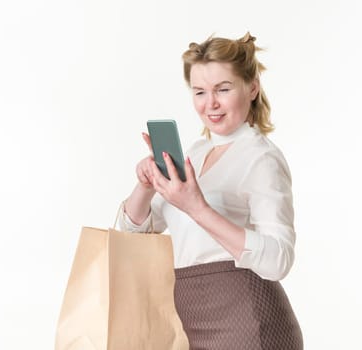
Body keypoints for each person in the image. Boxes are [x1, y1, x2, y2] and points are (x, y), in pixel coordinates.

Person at [119, 32, 303, 349]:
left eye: (223, 89)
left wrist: (198, 209)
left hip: (248, 323)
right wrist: (146, 185)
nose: (211, 104)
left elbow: (279, 260)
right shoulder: (196, 152)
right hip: (186, 322)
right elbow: (132, 233)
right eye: (200, 92)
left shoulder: (261, 158)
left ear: (253, 87)